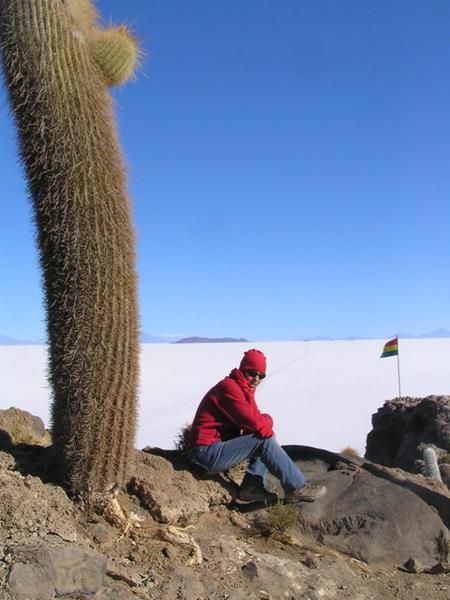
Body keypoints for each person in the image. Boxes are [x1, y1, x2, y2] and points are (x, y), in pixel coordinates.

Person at [186, 348, 327, 503]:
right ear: (243, 370)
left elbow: (254, 423)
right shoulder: (229, 388)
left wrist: (264, 421)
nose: (256, 379)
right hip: (204, 454)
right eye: (252, 373)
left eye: (261, 376)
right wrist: (268, 420)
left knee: (265, 436)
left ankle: (251, 487)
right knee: (264, 440)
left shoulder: (244, 390)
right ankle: (297, 487)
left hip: (210, 451)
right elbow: (254, 423)